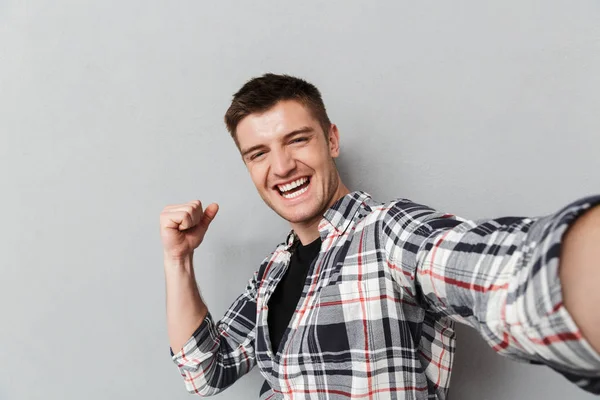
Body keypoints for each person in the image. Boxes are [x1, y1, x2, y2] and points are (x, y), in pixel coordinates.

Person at [160, 73, 600, 399]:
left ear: (331, 140)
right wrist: (178, 259)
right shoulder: (271, 273)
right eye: (259, 153)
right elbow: (205, 372)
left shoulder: (390, 233)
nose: (281, 167)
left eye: (297, 140)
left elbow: (507, 272)